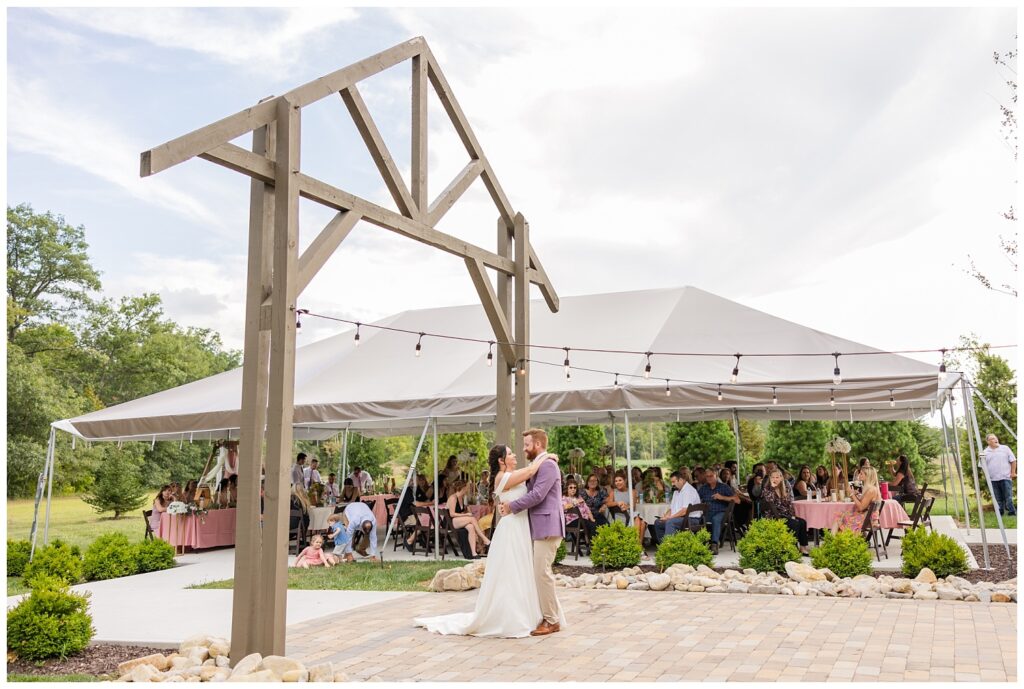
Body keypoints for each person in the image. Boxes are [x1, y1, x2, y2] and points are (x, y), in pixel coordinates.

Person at [416, 439, 563, 638]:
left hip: (521, 527)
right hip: (512, 529)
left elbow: (531, 478)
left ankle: (530, 613)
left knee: (523, 572)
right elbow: (530, 472)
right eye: (510, 453)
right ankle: (511, 616)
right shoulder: (502, 477)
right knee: (512, 573)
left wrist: (543, 460)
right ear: (502, 461)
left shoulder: (512, 475)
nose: (514, 455)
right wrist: (547, 457)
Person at [761, 469, 810, 555]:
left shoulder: (786, 487)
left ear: (781, 478)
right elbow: (771, 504)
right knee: (795, 524)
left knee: (802, 522)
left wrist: (792, 515)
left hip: (786, 514)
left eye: (777, 477)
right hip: (774, 516)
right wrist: (773, 487)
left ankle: (803, 547)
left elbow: (790, 503)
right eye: (773, 477)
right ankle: (792, 547)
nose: (775, 479)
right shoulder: (767, 489)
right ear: (770, 478)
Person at [648, 469, 702, 546]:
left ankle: (669, 548)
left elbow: (684, 511)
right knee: (658, 522)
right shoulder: (676, 491)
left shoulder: (688, 490)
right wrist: (666, 516)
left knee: (670, 522)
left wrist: (670, 518)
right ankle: (664, 546)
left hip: (691, 519)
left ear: (680, 480)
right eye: (671, 482)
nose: (672, 484)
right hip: (681, 518)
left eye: (674, 482)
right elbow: (671, 508)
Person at [697, 469, 739, 554]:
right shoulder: (703, 488)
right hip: (708, 512)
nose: (709, 478)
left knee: (716, 519)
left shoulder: (724, 487)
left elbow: (737, 500)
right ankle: (700, 544)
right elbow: (696, 499)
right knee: (697, 519)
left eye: (711, 476)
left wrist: (722, 497)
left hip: (722, 512)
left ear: (716, 476)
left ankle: (714, 544)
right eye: (707, 476)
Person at [448, 480, 491, 558]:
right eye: (467, 487)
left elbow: (463, 511)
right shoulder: (453, 498)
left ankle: (473, 553)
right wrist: (466, 514)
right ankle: (484, 539)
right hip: (451, 522)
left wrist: (467, 511)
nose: (468, 489)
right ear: (463, 488)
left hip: (458, 520)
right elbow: (451, 514)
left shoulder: (462, 498)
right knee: (472, 519)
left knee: (471, 527)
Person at [832, 467, 881, 534]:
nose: (859, 475)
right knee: (839, 516)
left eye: (861, 474)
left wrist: (852, 494)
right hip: (865, 517)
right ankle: (835, 540)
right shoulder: (870, 488)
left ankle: (833, 541)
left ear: (868, 476)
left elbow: (861, 508)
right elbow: (863, 504)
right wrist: (855, 495)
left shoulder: (871, 490)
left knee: (839, 518)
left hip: (867, 519)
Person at [983, 434, 1017, 516]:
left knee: (1008, 496)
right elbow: (982, 466)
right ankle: (1000, 512)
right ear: (988, 442)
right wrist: (987, 476)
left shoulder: (1005, 448)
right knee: (997, 497)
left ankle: (1012, 512)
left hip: (1005, 477)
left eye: (995, 438)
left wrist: (1013, 472)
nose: (995, 439)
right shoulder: (985, 452)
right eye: (992, 439)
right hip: (993, 479)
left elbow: (1013, 460)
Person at [562, 479, 597, 544]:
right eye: (571, 487)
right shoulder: (564, 498)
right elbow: (564, 507)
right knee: (591, 526)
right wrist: (576, 502)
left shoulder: (579, 497)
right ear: (567, 488)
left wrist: (592, 519)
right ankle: (592, 546)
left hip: (583, 520)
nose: (573, 489)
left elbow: (587, 509)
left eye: (575, 487)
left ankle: (592, 544)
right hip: (572, 522)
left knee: (596, 522)